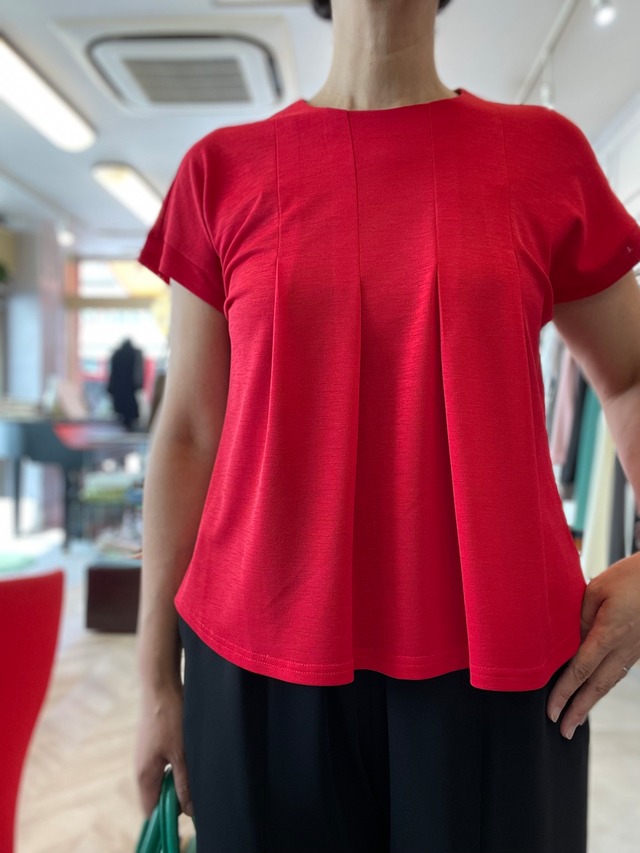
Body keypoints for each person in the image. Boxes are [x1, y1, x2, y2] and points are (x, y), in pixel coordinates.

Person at [134, 0, 640, 850]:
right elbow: (187, 432)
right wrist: (155, 677)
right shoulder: (220, 171)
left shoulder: (542, 155)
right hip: (257, 660)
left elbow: (630, 375)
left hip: (505, 665)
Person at [106, 337, 144, 430]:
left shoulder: (117, 354)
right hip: (129, 388)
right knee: (129, 411)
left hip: (120, 388)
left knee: (122, 411)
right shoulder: (135, 354)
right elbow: (138, 372)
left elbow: (113, 373)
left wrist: (111, 387)